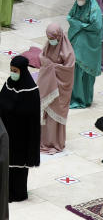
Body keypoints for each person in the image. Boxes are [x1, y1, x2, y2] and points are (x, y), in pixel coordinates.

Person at [0, 55, 41, 202]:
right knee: (6, 164)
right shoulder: (9, 83)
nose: (12, 73)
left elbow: (31, 117)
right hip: (6, 132)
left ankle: (18, 193)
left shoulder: (31, 90)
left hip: (22, 136)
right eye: (11, 70)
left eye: (15, 71)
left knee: (19, 166)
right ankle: (6, 192)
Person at [38, 24, 75, 154]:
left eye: (53, 38)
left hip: (59, 90)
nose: (51, 40)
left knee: (54, 118)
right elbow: (42, 57)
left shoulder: (68, 52)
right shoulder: (48, 45)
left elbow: (68, 70)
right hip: (47, 87)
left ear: (59, 36)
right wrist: (47, 63)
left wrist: (52, 66)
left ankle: (55, 142)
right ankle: (44, 141)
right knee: (45, 116)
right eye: (49, 38)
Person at [68, 0, 103, 109]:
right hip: (77, 46)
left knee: (86, 76)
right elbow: (69, 17)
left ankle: (85, 99)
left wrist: (79, 25)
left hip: (88, 48)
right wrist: (81, 25)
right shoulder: (76, 6)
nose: (79, 0)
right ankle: (76, 98)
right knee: (76, 73)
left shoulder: (95, 10)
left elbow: (96, 27)